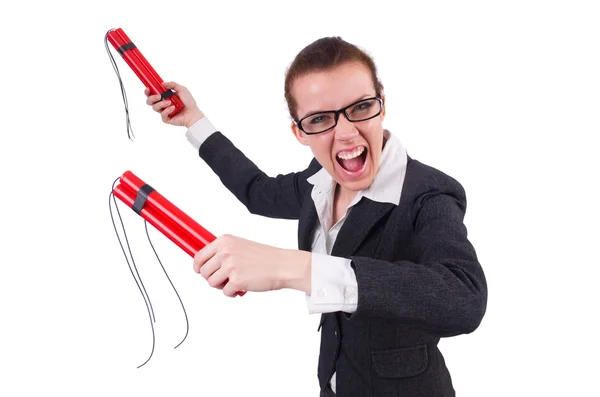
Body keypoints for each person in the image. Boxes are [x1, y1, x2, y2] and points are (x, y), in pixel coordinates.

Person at [145, 36, 487, 397]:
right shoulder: (318, 183)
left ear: (381, 105)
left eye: (360, 107)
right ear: (299, 132)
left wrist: (294, 268)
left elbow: (465, 299)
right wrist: (193, 121)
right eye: (321, 119)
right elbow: (256, 191)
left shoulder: (428, 193)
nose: (346, 132)